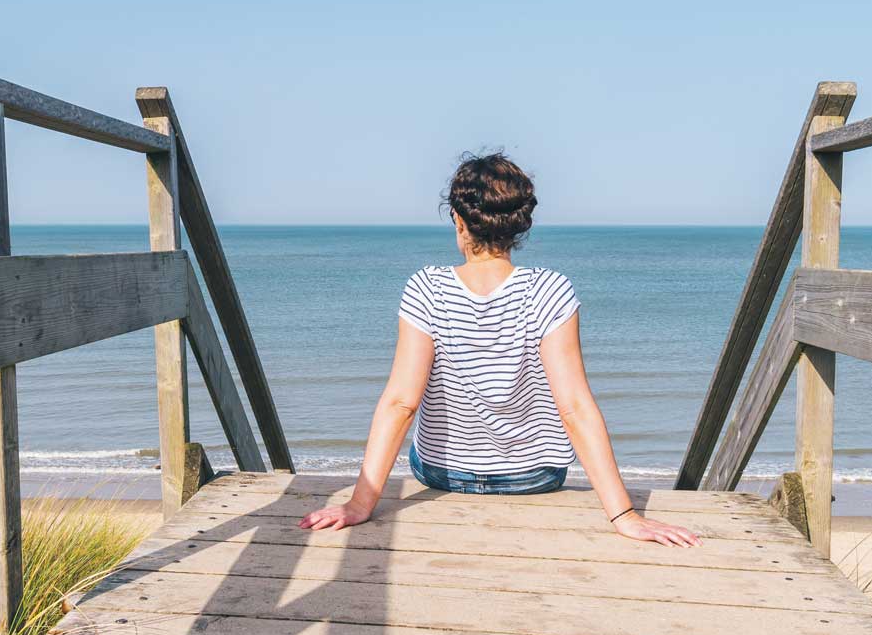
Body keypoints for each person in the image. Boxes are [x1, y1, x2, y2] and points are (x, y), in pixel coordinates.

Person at [300, 152, 700, 547]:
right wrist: (625, 515)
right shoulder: (550, 290)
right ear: (519, 226)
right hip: (533, 477)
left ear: (458, 220)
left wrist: (359, 503)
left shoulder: (427, 287)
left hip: (443, 473)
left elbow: (401, 403)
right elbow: (575, 408)